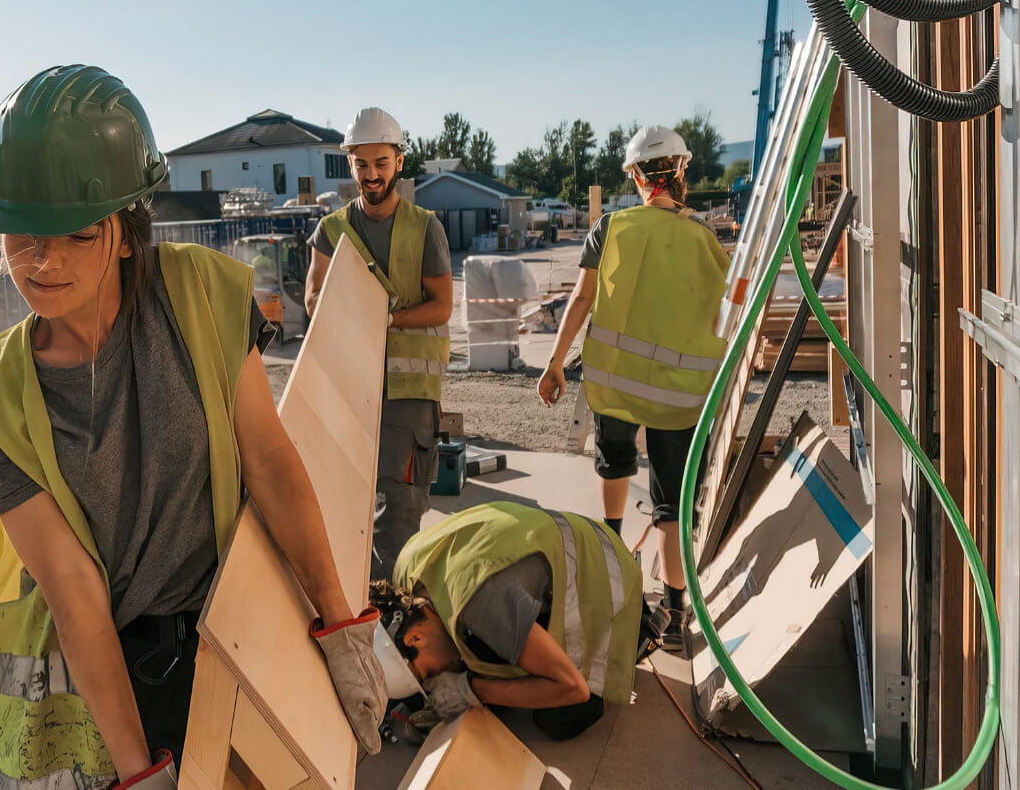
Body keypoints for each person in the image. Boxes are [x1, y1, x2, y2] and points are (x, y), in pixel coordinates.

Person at [0, 65, 385, 790]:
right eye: (20, 234)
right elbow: (72, 586)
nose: (43, 260)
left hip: (241, 622)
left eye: (74, 234)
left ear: (123, 230)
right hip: (108, 682)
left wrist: (340, 629)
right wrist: (136, 771)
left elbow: (268, 459)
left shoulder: (203, 295)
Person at [536, 125, 731, 652]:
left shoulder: (610, 228)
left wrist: (555, 364)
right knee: (671, 505)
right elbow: (722, 318)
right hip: (678, 395)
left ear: (635, 175)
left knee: (615, 466)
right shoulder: (704, 239)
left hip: (615, 387)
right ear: (681, 172)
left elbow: (580, 301)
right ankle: (673, 614)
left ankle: (614, 571)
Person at [304, 107, 453, 578]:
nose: (371, 175)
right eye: (362, 165)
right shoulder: (331, 231)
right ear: (351, 164)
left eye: (380, 164)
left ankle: (391, 615)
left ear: (399, 162)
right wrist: (349, 316)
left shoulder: (424, 227)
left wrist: (383, 320)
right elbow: (312, 298)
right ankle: (361, 603)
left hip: (407, 397)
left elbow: (442, 305)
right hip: (349, 386)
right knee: (345, 504)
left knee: (399, 511)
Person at [370, 501, 652, 740]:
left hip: (610, 583)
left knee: (558, 717)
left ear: (414, 637)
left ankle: (639, 634)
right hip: (566, 540)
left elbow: (573, 688)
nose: (435, 681)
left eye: (427, 675)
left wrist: (471, 690)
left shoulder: (481, 606)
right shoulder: (406, 570)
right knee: (478, 657)